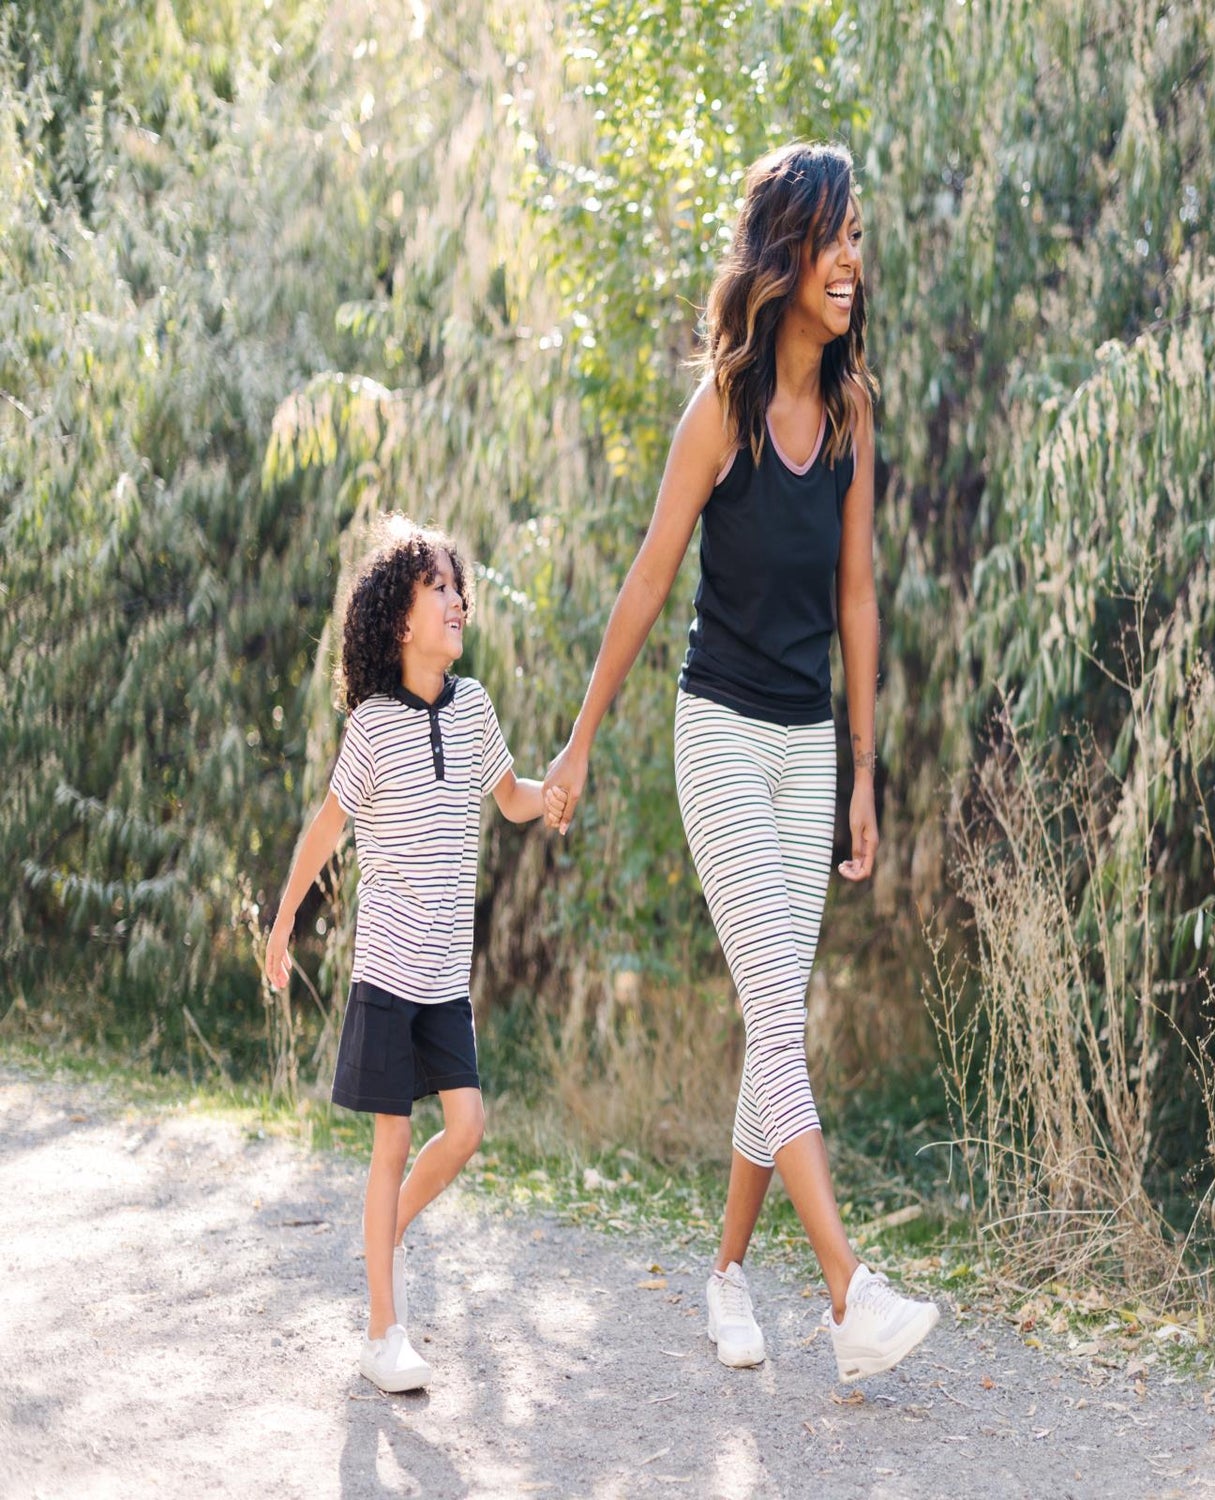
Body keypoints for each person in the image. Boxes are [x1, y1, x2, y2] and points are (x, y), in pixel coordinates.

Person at [543, 142, 939, 1382]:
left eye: (859, 237)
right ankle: (847, 1296)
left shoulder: (855, 414)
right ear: (784, 252)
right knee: (779, 1009)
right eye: (831, 236)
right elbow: (650, 582)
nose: (850, 262)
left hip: (808, 747)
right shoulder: (720, 411)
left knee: (777, 1020)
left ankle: (724, 1276)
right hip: (715, 729)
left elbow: (860, 597)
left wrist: (865, 771)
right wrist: (584, 733)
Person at [264, 517, 563, 1393]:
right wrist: (283, 922)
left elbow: (509, 797)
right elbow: (326, 828)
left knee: (466, 1128)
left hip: (447, 980)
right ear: (400, 617)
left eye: (458, 587)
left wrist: (553, 796)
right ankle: (383, 1327)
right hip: (389, 973)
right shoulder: (374, 727)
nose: (458, 599)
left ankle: (381, 1237)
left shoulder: (472, 708)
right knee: (392, 1139)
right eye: (439, 588)